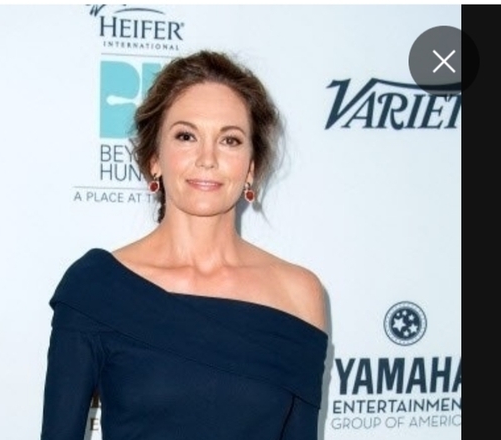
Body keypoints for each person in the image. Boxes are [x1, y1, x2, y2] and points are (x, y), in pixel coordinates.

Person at [40, 50, 329, 440]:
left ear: (251, 166)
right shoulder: (95, 289)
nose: (207, 158)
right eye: (186, 136)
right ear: (154, 159)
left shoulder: (297, 295)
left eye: (230, 140)